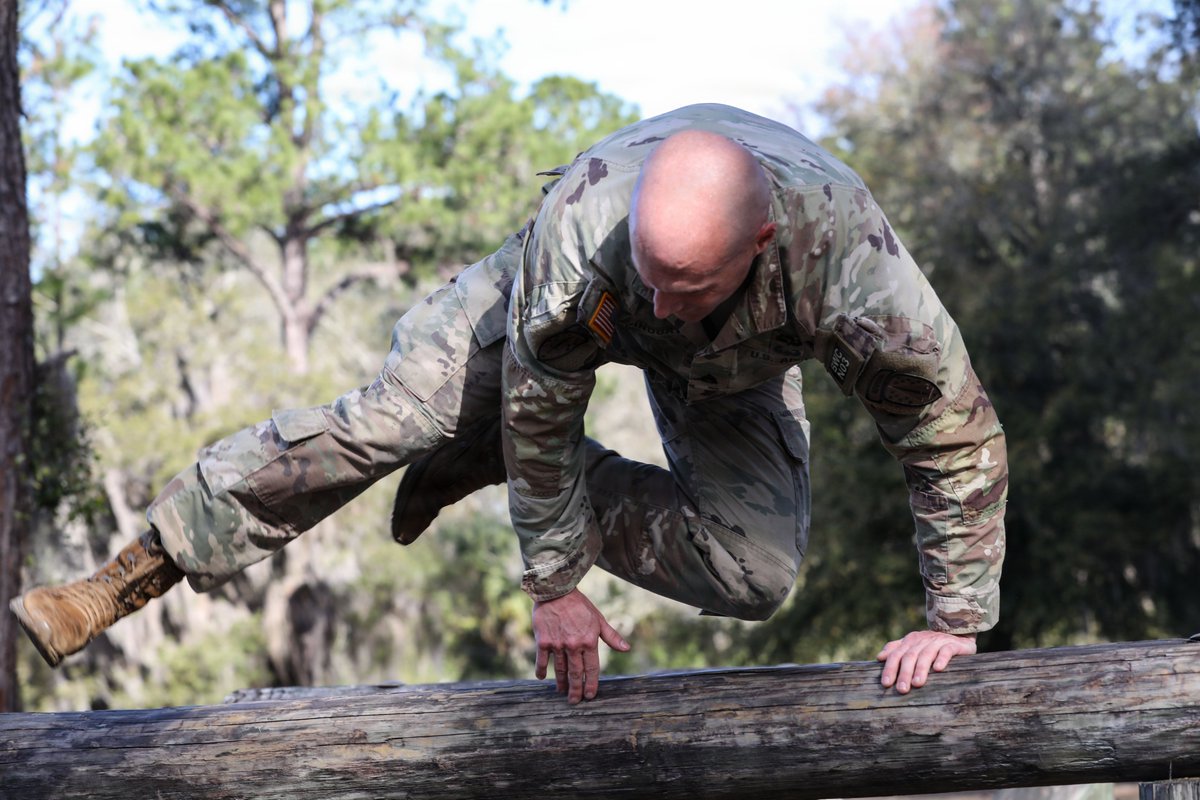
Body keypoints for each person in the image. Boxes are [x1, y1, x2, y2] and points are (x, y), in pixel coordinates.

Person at [11, 104, 1007, 704]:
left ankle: (487, 459)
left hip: (733, 364)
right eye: (651, 276)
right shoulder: (585, 230)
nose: (658, 304)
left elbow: (948, 431)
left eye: (684, 285)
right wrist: (555, 580)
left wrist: (956, 619)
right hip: (541, 315)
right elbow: (544, 397)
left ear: (761, 246)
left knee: (756, 572)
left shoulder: (856, 272)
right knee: (394, 418)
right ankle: (128, 574)